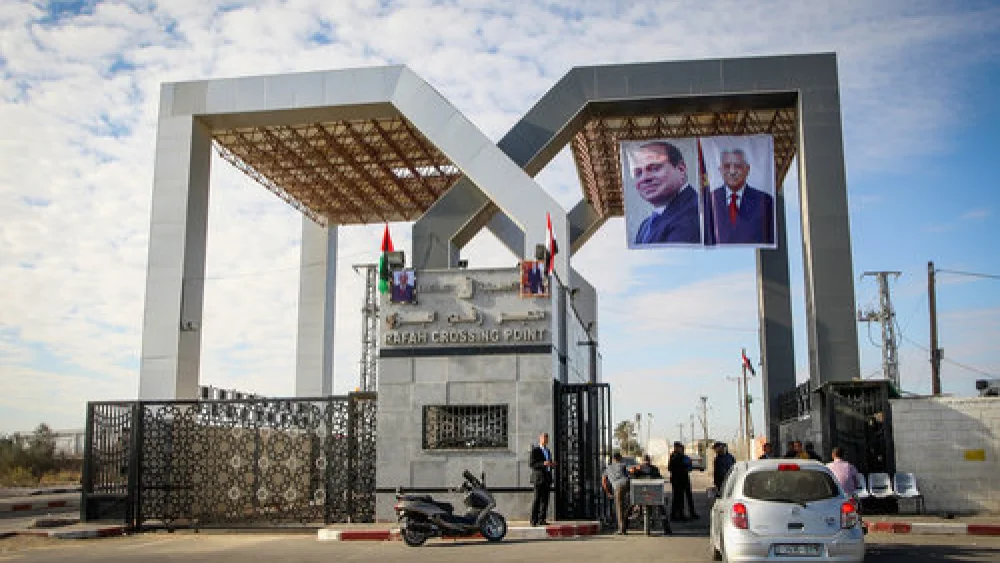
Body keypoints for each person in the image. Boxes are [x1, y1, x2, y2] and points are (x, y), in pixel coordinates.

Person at [630, 141, 701, 245]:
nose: (644, 178)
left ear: (681, 169)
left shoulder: (695, 214)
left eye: (655, 168)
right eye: (638, 173)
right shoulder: (645, 225)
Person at [708, 148, 774, 244]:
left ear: (747, 169)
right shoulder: (710, 201)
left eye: (737, 166)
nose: (732, 171)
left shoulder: (764, 201)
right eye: (727, 166)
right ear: (720, 170)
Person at [629, 454, 672, 535]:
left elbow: (632, 477)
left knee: (630, 507)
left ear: (642, 461)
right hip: (654, 494)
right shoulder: (654, 468)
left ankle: (624, 528)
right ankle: (667, 529)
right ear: (649, 460)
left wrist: (633, 471)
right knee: (662, 509)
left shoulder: (638, 468)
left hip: (641, 494)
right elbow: (659, 478)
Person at [529, 432, 555, 526]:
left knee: (545, 500)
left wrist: (551, 464)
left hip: (547, 478)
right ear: (540, 439)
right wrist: (543, 464)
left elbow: (548, 463)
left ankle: (542, 519)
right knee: (537, 499)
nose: (545, 440)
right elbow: (532, 464)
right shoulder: (535, 450)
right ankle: (533, 520)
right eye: (544, 438)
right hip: (538, 478)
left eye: (547, 438)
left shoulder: (548, 451)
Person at [667, 442, 698, 521]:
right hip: (677, 479)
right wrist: (683, 466)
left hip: (684, 478)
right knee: (678, 497)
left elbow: (689, 466)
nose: (679, 449)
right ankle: (677, 515)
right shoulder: (674, 456)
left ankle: (691, 513)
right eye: (678, 448)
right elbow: (670, 468)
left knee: (688, 496)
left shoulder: (684, 456)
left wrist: (687, 466)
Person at [602, 452, 631, 534]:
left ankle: (622, 529)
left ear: (613, 459)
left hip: (618, 487)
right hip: (627, 484)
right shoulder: (623, 465)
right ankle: (631, 512)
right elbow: (630, 473)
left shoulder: (608, 468)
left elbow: (603, 481)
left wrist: (608, 492)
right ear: (620, 458)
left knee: (619, 508)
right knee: (629, 504)